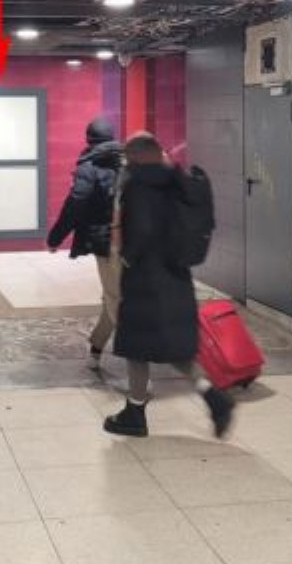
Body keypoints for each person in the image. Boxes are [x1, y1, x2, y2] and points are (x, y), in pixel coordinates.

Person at [104, 132, 234, 439]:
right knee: (175, 347)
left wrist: (127, 258)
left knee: (137, 345)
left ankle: (135, 414)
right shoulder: (178, 181)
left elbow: (142, 229)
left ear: (138, 156)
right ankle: (213, 397)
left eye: (128, 156)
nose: (126, 162)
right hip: (176, 276)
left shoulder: (139, 185)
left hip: (146, 280)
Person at [47, 116, 123, 369]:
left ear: (88, 139)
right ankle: (96, 348)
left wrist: (55, 237)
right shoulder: (127, 161)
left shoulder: (88, 167)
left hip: (109, 243)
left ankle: (138, 364)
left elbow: (75, 204)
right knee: (113, 295)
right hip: (135, 241)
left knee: (115, 298)